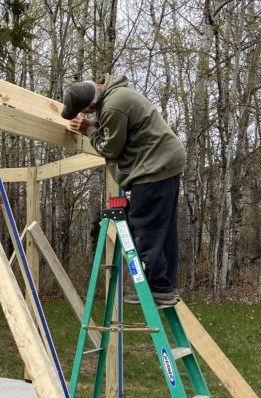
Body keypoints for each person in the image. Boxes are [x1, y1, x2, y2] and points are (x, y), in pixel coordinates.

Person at [61, 75, 186, 306]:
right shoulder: (116, 95)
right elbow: (116, 131)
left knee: (145, 227)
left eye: (87, 113)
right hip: (164, 164)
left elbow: (111, 148)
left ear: (90, 105)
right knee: (163, 228)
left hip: (153, 169)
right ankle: (165, 286)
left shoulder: (114, 106)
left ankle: (159, 289)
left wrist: (88, 130)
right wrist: (92, 126)